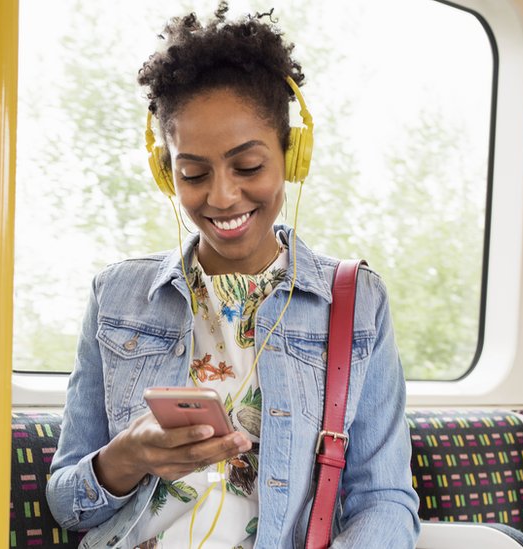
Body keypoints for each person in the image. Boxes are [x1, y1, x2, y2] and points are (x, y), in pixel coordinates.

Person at [46, 4, 420, 548]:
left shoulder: (357, 301)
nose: (221, 197)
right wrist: (123, 458)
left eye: (248, 167)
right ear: (164, 171)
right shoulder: (116, 296)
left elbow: (383, 500)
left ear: (292, 157)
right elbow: (67, 504)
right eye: (193, 173)